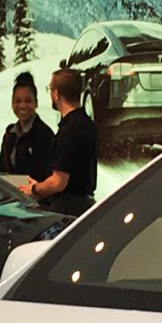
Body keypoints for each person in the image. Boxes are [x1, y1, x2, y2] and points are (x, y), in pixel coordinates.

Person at [21, 67, 97, 214]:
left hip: (67, 209)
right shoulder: (87, 123)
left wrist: (34, 189)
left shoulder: (69, 130)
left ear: (56, 94)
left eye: (50, 89)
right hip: (84, 207)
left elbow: (58, 182)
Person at [0, 73, 56, 178]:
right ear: (12, 103)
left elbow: (44, 175)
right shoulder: (9, 134)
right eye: (17, 101)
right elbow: (1, 170)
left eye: (28, 101)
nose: (22, 106)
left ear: (36, 103)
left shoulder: (44, 134)